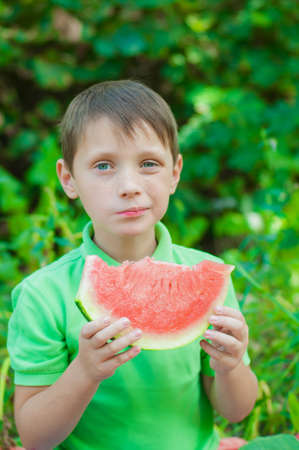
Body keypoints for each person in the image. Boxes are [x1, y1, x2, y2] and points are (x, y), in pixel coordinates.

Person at [7, 79, 258, 450]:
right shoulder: (43, 295)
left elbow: (236, 410)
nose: (129, 185)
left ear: (175, 173)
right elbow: (34, 437)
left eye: (149, 164)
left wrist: (231, 365)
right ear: (68, 178)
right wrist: (85, 372)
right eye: (104, 165)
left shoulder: (209, 274)